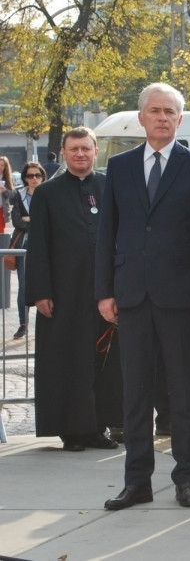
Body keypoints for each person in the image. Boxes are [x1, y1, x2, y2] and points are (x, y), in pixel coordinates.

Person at [96, 83, 190, 510]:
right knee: (135, 393)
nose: (162, 117)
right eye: (155, 110)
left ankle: (186, 479)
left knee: (183, 394)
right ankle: (137, 482)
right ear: (141, 118)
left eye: (170, 111)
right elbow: (107, 232)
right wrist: (104, 291)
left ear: (179, 120)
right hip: (131, 295)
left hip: (181, 297)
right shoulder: (120, 166)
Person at [27, 128, 121, 452]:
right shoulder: (47, 193)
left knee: (102, 364)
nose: (80, 154)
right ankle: (72, 431)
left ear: (96, 151)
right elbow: (37, 246)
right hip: (63, 295)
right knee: (68, 363)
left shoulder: (109, 186)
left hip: (104, 294)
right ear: (64, 154)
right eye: (74, 149)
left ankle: (98, 428)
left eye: (86, 149)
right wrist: (40, 292)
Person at [11, 161, 46, 339]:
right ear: (25, 178)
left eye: (37, 175)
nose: (34, 179)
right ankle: (23, 324)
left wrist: (30, 219)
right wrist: (36, 222)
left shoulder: (49, 192)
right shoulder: (19, 195)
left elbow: (51, 221)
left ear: (42, 176)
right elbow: (17, 221)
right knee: (23, 286)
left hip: (47, 244)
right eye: (30, 175)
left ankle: (48, 324)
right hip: (24, 244)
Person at [0, 155, 15, 232]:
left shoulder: (8, 178)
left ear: (6, 167)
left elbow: (12, 195)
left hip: (2, 209)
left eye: (2, 165)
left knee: (1, 230)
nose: (0, 167)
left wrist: (5, 190)